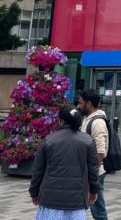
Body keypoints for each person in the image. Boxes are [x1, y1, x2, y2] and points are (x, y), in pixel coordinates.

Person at [29, 105, 100, 220]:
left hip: (50, 200)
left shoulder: (49, 140)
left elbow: (38, 170)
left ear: (61, 121)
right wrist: (94, 191)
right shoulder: (87, 141)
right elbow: (93, 170)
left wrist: (34, 192)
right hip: (77, 200)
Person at [77, 89, 109, 220]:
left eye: (80, 103)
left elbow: (100, 151)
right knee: (90, 204)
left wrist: (93, 174)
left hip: (94, 172)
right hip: (87, 170)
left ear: (88, 103)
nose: (78, 106)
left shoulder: (97, 123)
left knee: (97, 208)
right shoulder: (86, 119)